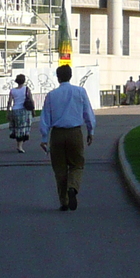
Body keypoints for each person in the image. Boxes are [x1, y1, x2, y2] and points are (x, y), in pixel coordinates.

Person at [40, 65, 95, 211]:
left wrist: (44, 137)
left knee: (59, 168)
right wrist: (90, 130)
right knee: (77, 164)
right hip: (75, 132)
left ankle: (63, 201)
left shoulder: (51, 95)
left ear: (57, 77)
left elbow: (45, 116)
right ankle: (73, 187)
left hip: (57, 133)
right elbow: (88, 113)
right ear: (70, 76)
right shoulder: (80, 92)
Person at [7, 73, 35, 153]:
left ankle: (18, 144)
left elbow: (9, 102)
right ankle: (20, 146)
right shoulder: (26, 89)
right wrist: (33, 110)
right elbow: (31, 100)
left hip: (15, 110)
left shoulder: (12, 90)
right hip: (24, 110)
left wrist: (8, 111)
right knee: (23, 129)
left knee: (17, 128)